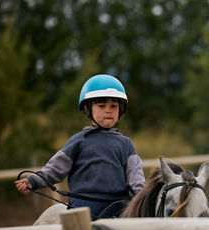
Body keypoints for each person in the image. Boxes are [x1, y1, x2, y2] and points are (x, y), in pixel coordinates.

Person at [15, 74, 145, 217]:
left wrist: (142, 199)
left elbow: (136, 178)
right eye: (101, 105)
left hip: (119, 204)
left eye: (113, 106)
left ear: (120, 109)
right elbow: (54, 169)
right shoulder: (79, 141)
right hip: (86, 203)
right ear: (88, 109)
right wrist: (33, 181)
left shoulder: (126, 144)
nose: (108, 110)